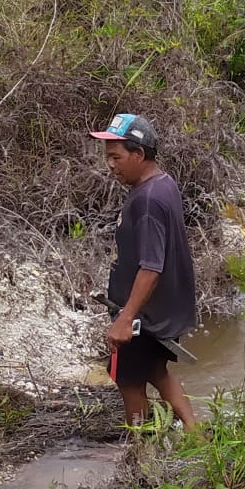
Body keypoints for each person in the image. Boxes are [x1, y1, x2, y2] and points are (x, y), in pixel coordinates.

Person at [90, 112, 198, 430]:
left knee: (128, 382)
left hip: (143, 317)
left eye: (116, 157)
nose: (110, 165)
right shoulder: (163, 184)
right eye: (108, 157)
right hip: (161, 311)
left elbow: (152, 267)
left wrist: (125, 320)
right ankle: (198, 437)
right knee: (155, 372)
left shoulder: (148, 201)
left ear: (139, 154)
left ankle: (140, 455)